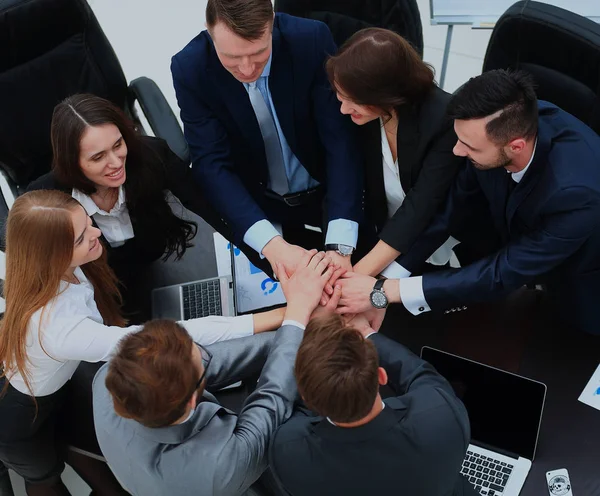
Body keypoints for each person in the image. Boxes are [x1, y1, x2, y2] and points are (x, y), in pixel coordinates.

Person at [0, 190, 285, 496]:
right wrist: (280, 316)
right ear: (51, 255)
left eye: (88, 222)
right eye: (81, 238)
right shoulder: (59, 328)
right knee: (45, 476)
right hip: (21, 417)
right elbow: (172, 338)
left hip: (53, 386)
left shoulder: (35, 267)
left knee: (76, 451)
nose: (97, 233)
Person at [336, 69, 600, 335]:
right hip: (514, 243)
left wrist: (387, 292)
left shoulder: (580, 193)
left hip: (581, 278)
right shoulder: (498, 128)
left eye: (469, 147)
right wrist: (384, 280)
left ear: (516, 146)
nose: (457, 151)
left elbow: (502, 273)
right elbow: (449, 210)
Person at [92, 250, 339, 496]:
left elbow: (211, 362)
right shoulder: (218, 468)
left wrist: (297, 325)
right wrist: (298, 320)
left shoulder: (110, 377)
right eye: (201, 356)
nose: (207, 354)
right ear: (190, 400)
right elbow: (272, 401)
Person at [171, 0, 364, 280]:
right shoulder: (190, 67)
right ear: (209, 31)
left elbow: (340, 140)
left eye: (259, 53)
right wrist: (271, 245)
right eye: (232, 58)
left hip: (328, 194)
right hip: (256, 205)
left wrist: (340, 245)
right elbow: (212, 163)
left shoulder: (310, 40)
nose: (248, 69)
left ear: (272, 23)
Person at [27, 94, 226, 322]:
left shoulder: (150, 155)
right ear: (73, 162)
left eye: (118, 145)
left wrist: (266, 248)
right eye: (98, 156)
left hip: (153, 258)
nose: (116, 162)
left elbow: (210, 203)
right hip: (94, 288)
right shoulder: (45, 197)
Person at [269, 313, 475, 496]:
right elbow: (422, 375)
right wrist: (366, 331)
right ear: (381, 376)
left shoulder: (289, 452)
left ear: (305, 397)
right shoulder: (441, 416)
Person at [325, 28, 464, 280]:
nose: (343, 109)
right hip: (382, 240)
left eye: (352, 100)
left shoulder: (443, 120)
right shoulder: (364, 115)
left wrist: (359, 277)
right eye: (339, 96)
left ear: (384, 94)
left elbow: (421, 206)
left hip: (440, 249)